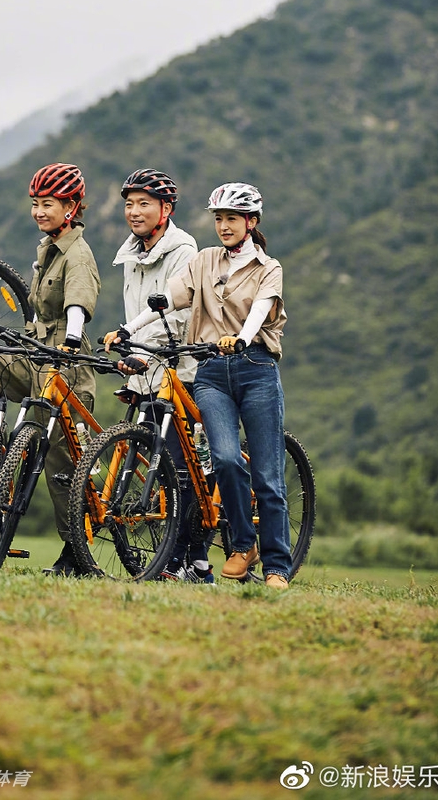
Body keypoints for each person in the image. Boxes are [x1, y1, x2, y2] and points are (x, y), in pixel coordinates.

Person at [117, 182, 292, 589]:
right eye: (219, 219)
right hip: (212, 373)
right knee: (226, 460)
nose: (224, 226)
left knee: (267, 475)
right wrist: (126, 329)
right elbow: (168, 299)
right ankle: (242, 546)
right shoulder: (205, 260)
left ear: (251, 222)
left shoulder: (269, 268)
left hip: (255, 369)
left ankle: (277, 567)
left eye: (232, 218)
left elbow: (261, 310)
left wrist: (244, 337)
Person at [0, 162, 100, 576]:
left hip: (66, 365)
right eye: (35, 204)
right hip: (35, 353)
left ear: (71, 207)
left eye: (48, 204)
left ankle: (76, 552)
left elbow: (78, 305)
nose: (39, 211)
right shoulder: (46, 248)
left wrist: (69, 344)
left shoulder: (77, 254)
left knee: (62, 469)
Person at [104, 169, 210, 583]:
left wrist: (144, 347)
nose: (134, 211)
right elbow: (138, 313)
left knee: (184, 468)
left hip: (180, 370)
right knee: (163, 468)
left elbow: (180, 313)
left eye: (144, 203)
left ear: (166, 209)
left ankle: (195, 561)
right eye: (129, 203)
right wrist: (129, 346)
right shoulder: (130, 254)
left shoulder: (184, 251)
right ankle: (180, 559)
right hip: (145, 371)